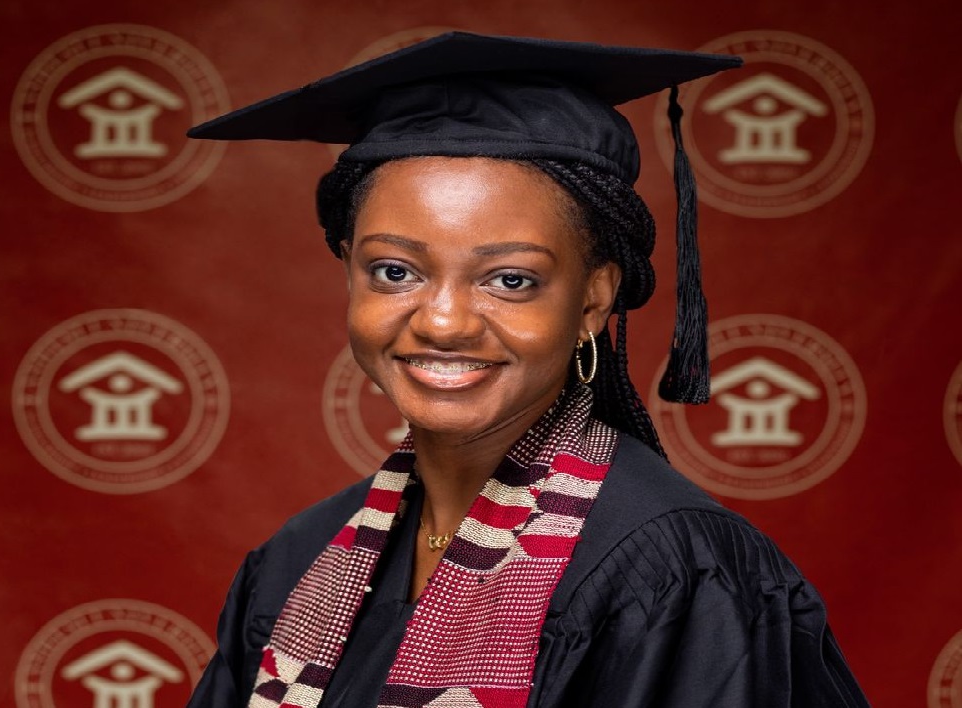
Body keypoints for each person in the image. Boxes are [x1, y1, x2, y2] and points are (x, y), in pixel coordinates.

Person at [186, 32, 869, 707]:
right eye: (395, 272)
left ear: (593, 301)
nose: (443, 322)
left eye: (510, 280)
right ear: (348, 274)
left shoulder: (675, 573)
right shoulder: (299, 560)